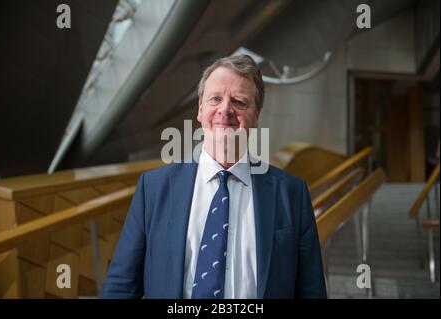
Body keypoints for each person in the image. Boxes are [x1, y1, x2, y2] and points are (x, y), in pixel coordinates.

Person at [102, 55, 327, 299]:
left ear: (256, 116)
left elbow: (311, 291)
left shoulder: (292, 194)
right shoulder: (154, 189)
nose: (225, 110)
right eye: (215, 99)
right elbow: (122, 286)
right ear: (200, 109)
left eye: (239, 102)